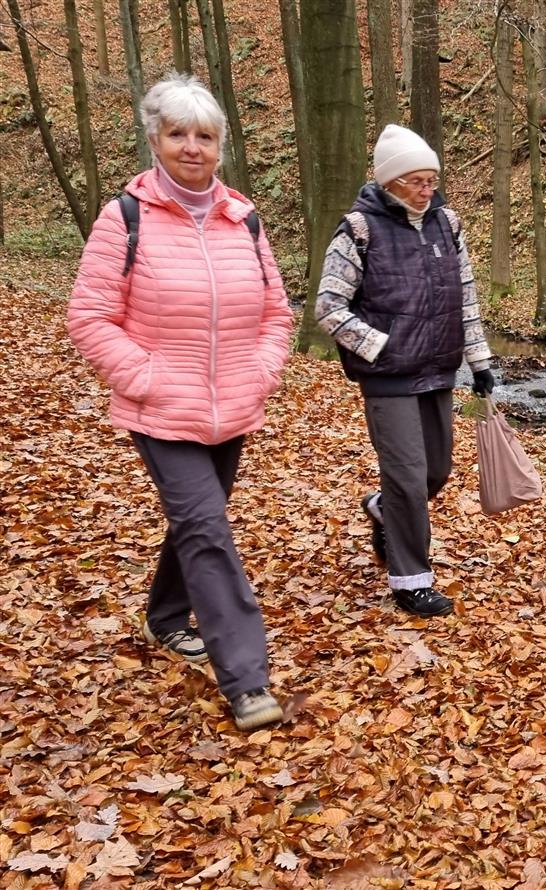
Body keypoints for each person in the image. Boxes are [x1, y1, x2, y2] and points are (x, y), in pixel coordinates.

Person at [68, 74, 293, 729]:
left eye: (205, 136)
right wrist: (146, 377)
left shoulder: (243, 218)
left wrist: (262, 371)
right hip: (162, 412)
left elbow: (278, 312)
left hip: (233, 407)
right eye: (178, 134)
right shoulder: (126, 217)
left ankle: (166, 616)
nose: (192, 147)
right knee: (207, 530)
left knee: (198, 522)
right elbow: (89, 317)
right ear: (155, 139)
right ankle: (247, 678)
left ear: (220, 145)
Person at [315, 124, 493, 619]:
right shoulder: (359, 229)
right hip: (389, 377)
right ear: (391, 182)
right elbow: (329, 307)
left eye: (432, 179)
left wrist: (479, 361)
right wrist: (381, 346)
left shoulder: (447, 224)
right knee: (409, 478)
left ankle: (381, 507)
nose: (427, 189)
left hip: (438, 370)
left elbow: (467, 298)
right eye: (416, 180)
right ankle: (411, 580)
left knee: (436, 471)